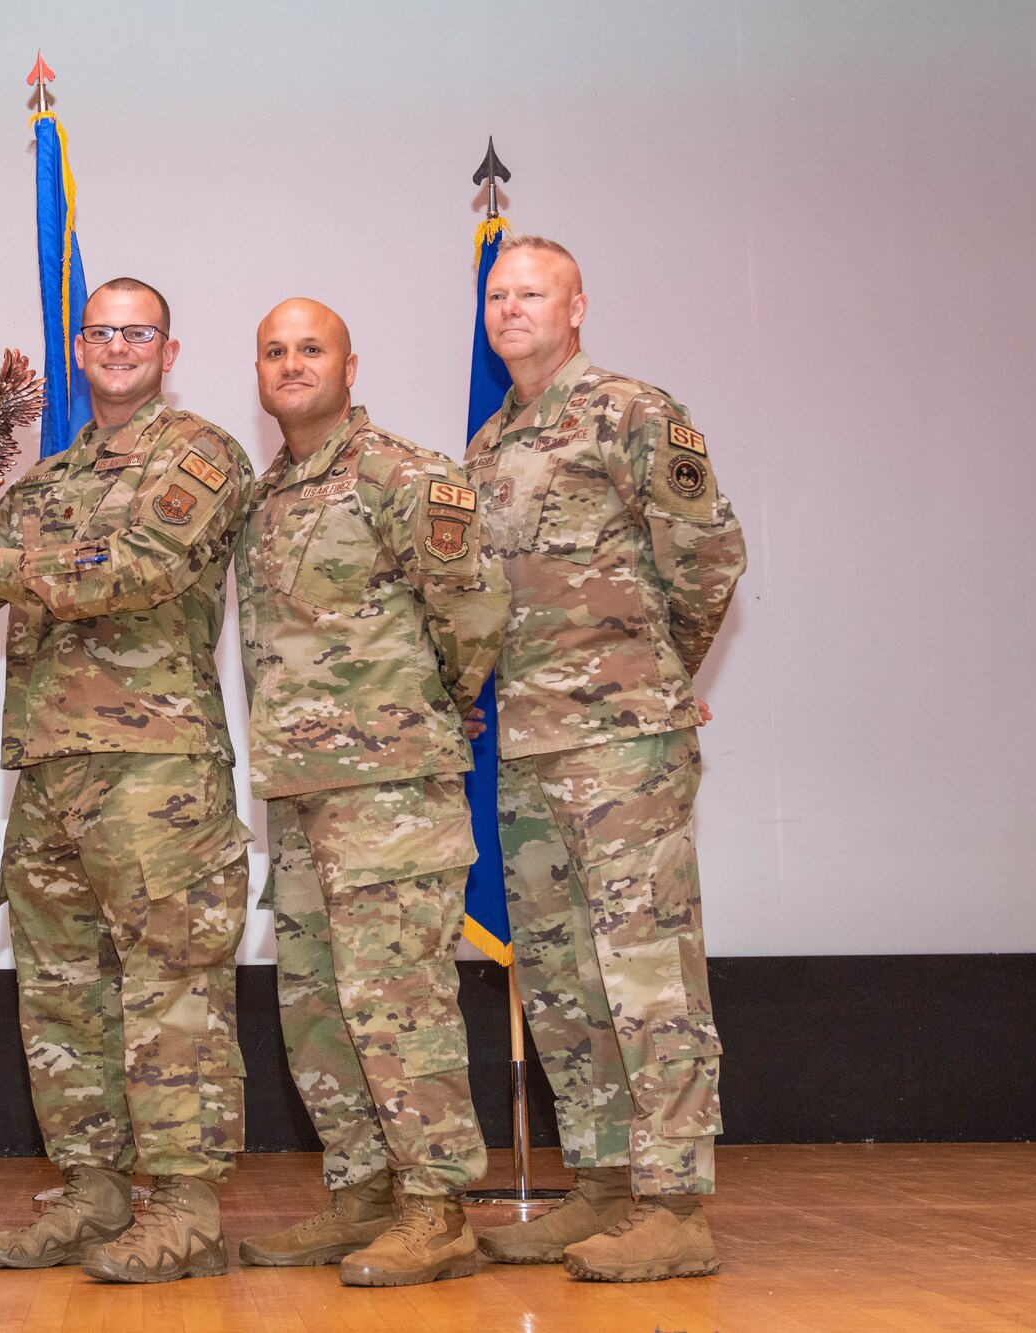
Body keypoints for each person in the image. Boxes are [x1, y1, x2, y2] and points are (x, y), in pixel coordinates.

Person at [0, 278, 255, 1283]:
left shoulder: (199, 455)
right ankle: (93, 1190)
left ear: (168, 350)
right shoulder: (51, 479)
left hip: (155, 772)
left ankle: (186, 1209)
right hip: (48, 773)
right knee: (63, 994)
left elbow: (144, 563)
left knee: (172, 986)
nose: (117, 345)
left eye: (137, 332)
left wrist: (6, 571)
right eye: (100, 331)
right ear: (78, 349)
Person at [462, 235, 746, 1283]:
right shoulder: (489, 442)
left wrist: (652, 675)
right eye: (498, 295)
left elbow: (708, 554)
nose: (510, 309)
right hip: (528, 747)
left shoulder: (632, 411)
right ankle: (602, 1184)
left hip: (622, 743)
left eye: (532, 292)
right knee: (559, 975)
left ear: (576, 306)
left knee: (645, 970)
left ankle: (673, 1204)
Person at [231, 299, 509, 1286]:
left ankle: (435, 1207)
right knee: (316, 1003)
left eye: (311, 348)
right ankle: (362, 1195)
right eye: (274, 351)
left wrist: (435, 704)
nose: (291, 364)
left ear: (349, 366)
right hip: (300, 790)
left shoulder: (402, 474)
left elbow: (473, 605)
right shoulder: (267, 494)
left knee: (398, 1001)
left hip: (390, 787)